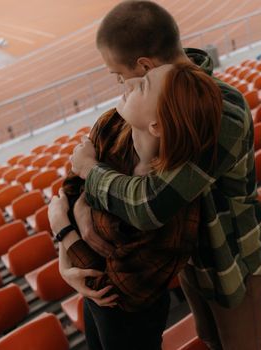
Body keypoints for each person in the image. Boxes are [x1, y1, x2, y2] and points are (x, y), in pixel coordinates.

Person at [68, 1, 261, 349]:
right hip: (194, 258)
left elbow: (151, 204)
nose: (120, 86)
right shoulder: (151, 106)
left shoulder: (221, 110)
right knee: (210, 338)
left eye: (119, 75)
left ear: (145, 66)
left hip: (234, 260)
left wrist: (90, 171)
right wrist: (68, 216)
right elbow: (77, 172)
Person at [49, 62, 222, 349]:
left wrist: (64, 231)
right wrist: (65, 256)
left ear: (155, 125)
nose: (127, 84)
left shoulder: (170, 209)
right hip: (92, 301)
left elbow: (117, 290)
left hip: (129, 319)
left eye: (142, 85)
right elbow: (70, 188)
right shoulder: (112, 128)